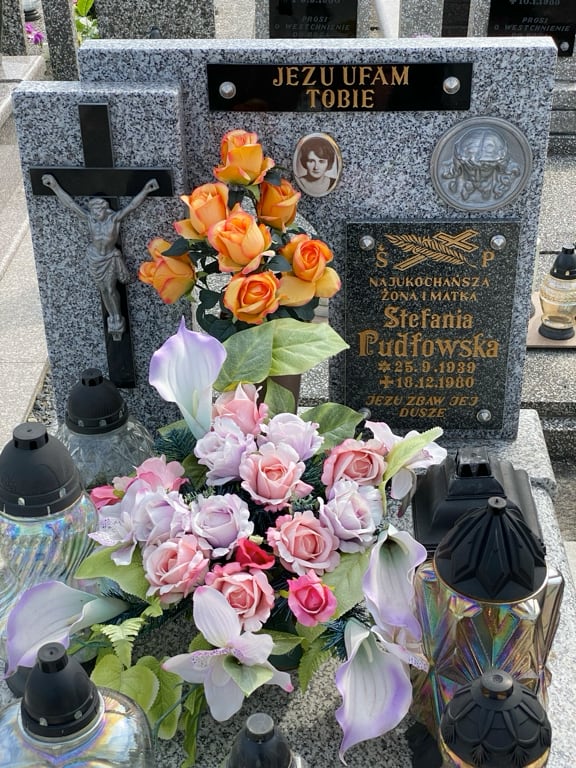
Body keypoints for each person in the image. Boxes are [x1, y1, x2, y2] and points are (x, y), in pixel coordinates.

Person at [42, 175, 159, 339]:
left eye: (99, 209)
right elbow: (70, 204)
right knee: (103, 290)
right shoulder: (90, 220)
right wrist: (54, 186)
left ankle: (117, 316)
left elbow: (132, 206)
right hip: (95, 259)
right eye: (94, 210)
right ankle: (112, 316)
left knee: (111, 289)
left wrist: (146, 190)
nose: (97, 213)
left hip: (110, 258)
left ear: (105, 209)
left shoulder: (114, 220)